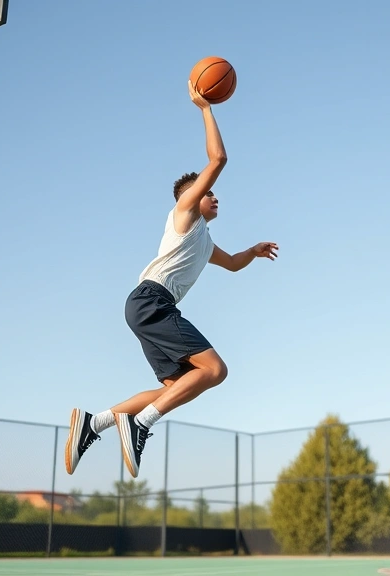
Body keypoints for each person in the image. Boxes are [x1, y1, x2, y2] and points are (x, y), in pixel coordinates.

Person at [65, 80, 278, 478]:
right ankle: (140, 424)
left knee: (173, 389)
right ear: (192, 195)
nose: (215, 196)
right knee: (215, 371)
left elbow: (230, 263)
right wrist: (205, 107)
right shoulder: (184, 215)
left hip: (147, 306)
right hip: (153, 301)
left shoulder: (203, 240)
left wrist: (252, 251)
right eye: (209, 192)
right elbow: (217, 160)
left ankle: (93, 425)